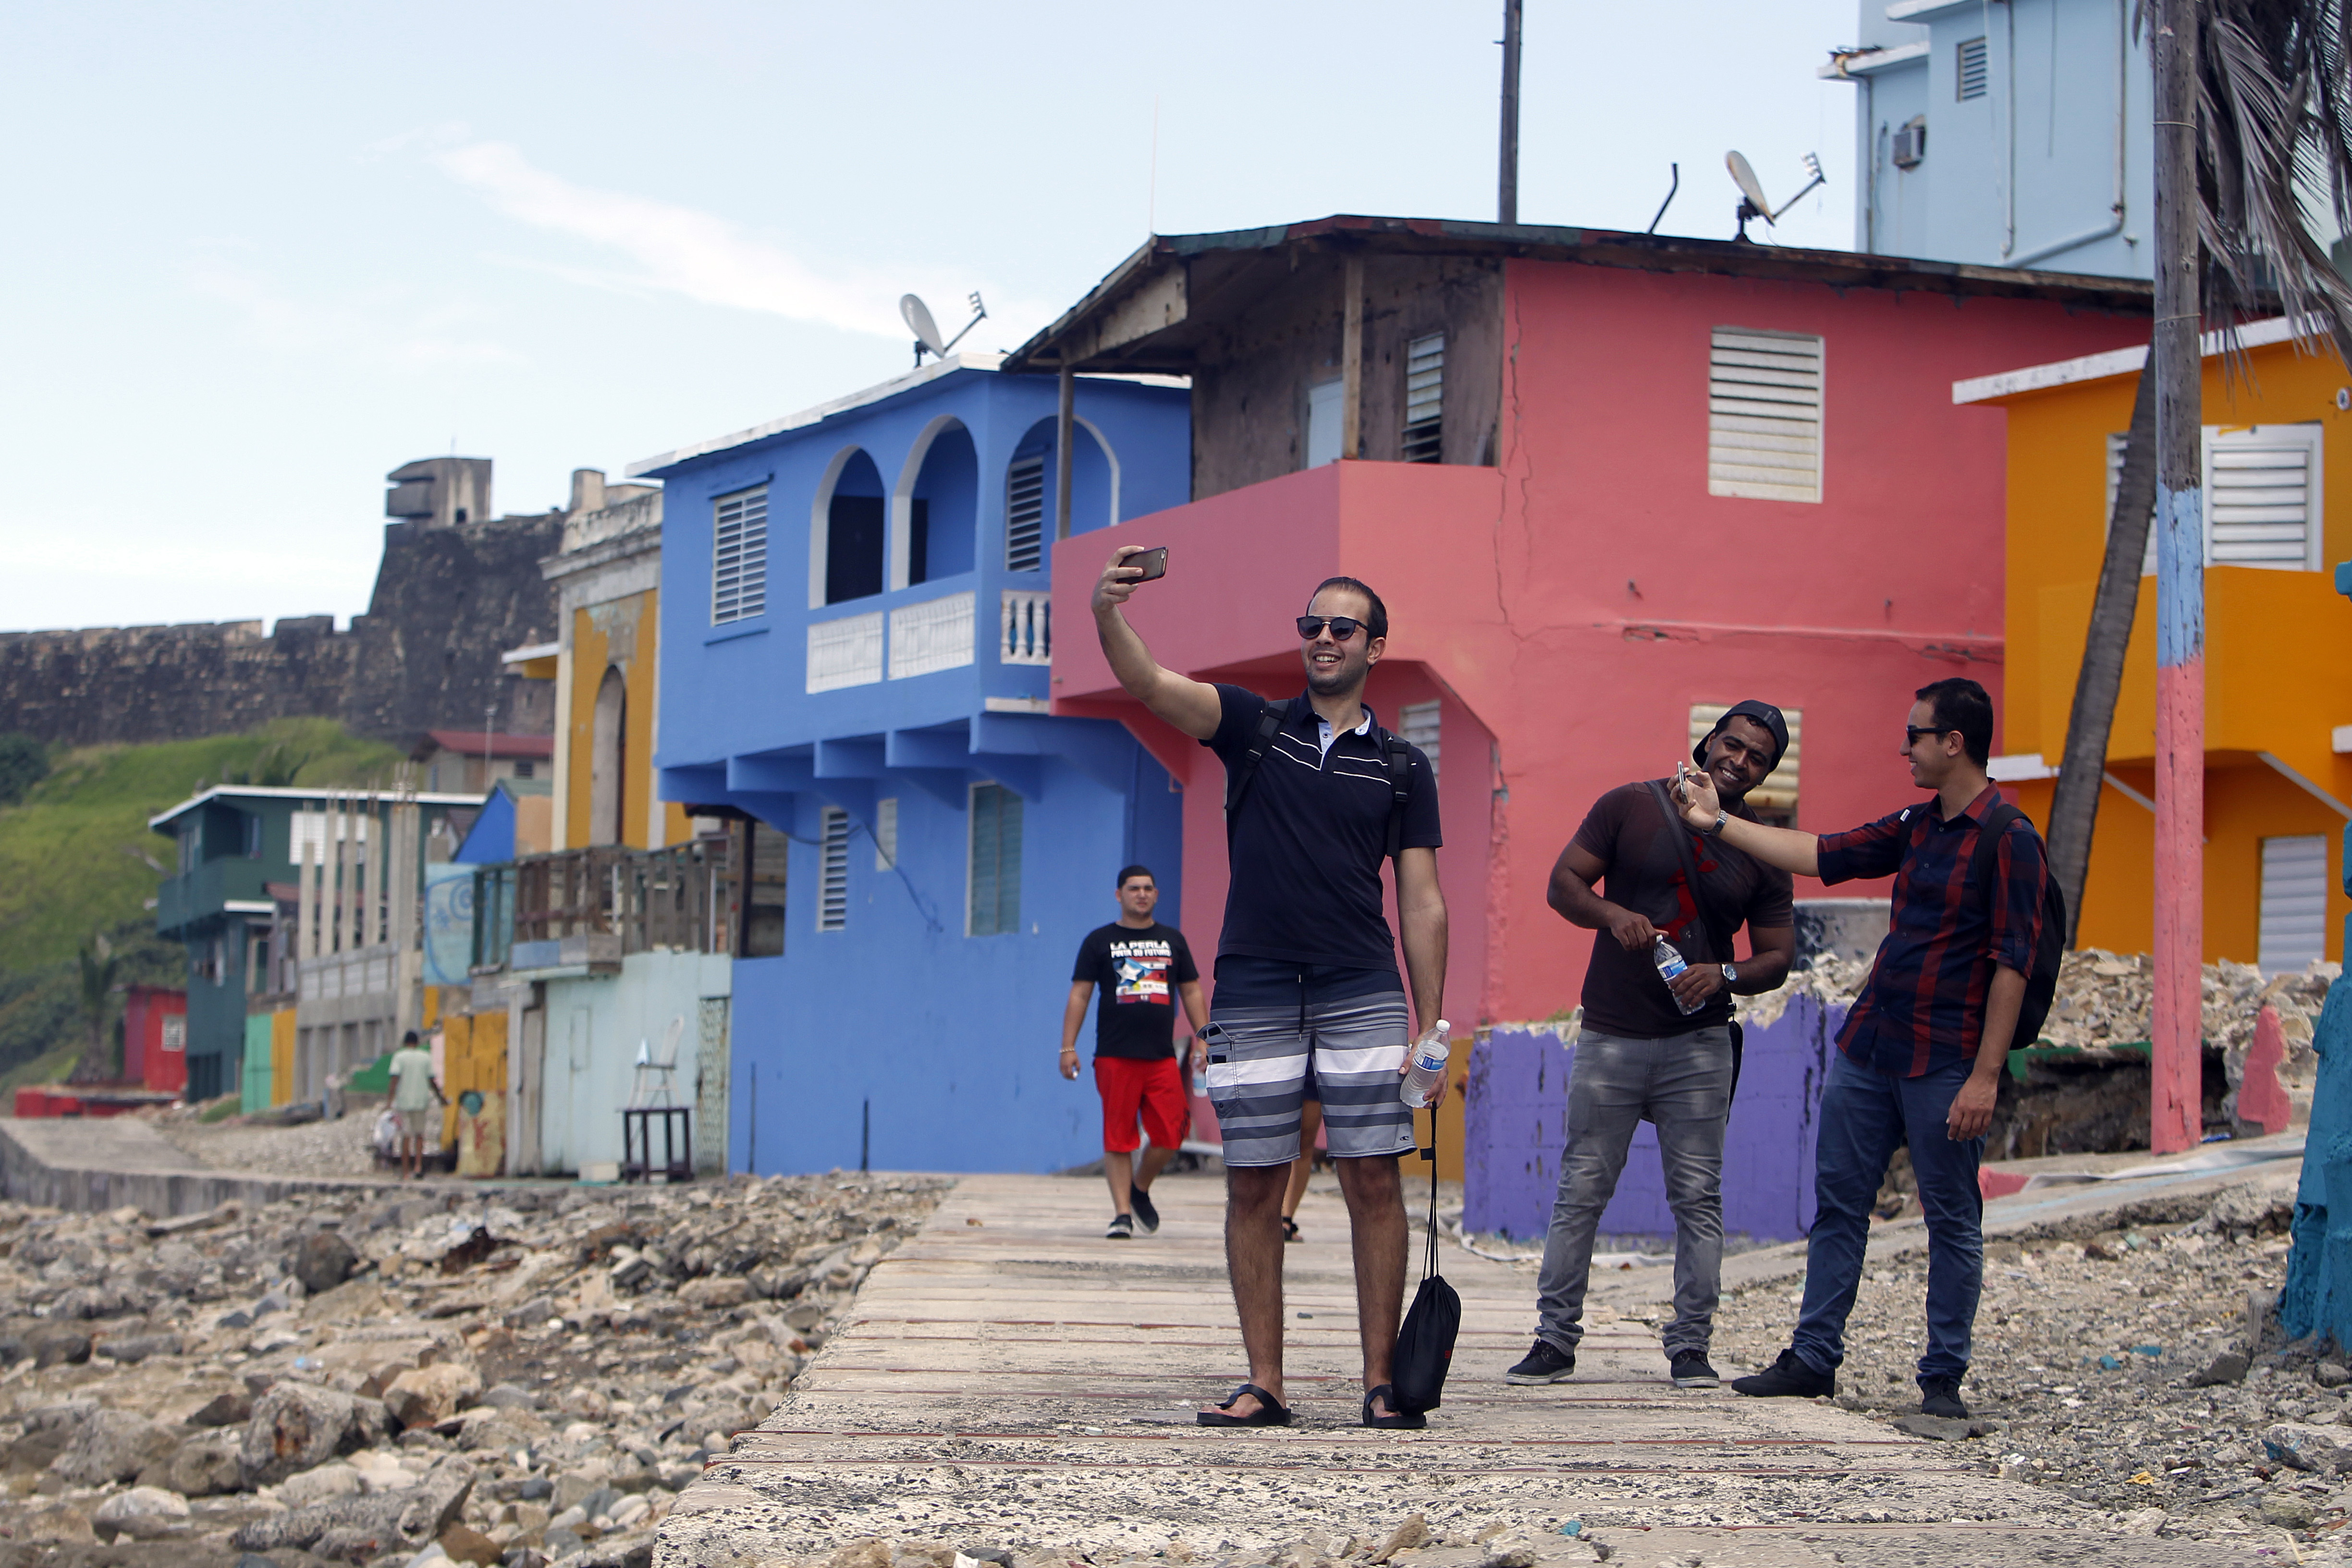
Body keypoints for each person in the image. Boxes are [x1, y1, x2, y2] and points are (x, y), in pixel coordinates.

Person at [1092, 548, 1447, 1431]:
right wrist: (1107, 611)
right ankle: (1267, 1381)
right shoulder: (1253, 724)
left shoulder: (1403, 766)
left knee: (1371, 1176)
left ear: (1375, 647)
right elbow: (1148, 681)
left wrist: (1431, 1024)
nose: (1322, 637)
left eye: (1342, 626)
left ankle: (1378, 1381)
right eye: (1310, 624)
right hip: (1252, 983)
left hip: (1361, 983)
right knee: (1253, 1181)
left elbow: (1422, 896)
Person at [1669, 677, 2046, 1419]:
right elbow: (1821, 853)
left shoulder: (2011, 839)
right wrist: (1716, 825)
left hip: (1947, 1059)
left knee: (1951, 1217)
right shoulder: (1918, 823)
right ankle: (1813, 1359)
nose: (1904, 746)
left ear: (1954, 743)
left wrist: (1985, 1077)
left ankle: (1942, 1383)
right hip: (1871, 1045)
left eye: (1915, 734)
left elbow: (2014, 964)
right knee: (1840, 1204)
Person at [1508, 701, 1798, 1392]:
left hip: (1699, 1042)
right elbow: (1562, 886)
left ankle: (1691, 1348)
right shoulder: (1629, 806)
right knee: (1582, 1191)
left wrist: (1721, 974)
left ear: (1766, 773)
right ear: (1707, 740)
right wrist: (1613, 915)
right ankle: (1554, 1341)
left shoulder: (1762, 845)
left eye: (1757, 756)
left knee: (1698, 1200)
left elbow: (1779, 957)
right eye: (1732, 743)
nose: (1739, 760)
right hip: (1612, 1031)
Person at [1063, 864, 1210, 1239]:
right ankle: (1122, 1215)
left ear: (1156, 895)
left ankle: (1139, 1188)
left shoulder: (1172, 940)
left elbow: (1191, 991)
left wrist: (1205, 1038)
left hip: (1161, 1056)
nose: (1141, 894)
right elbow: (1080, 993)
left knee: (1171, 1134)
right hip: (1115, 1054)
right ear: (1119, 895)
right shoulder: (1099, 941)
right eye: (1133, 888)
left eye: (1148, 888)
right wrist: (1068, 1046)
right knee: (1119, 1135)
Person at [387, 1029, 446, 1181]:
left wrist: (389, 1101)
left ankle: (406, 1172)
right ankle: (418, 1166)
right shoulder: (425, 1057)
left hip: (404, 1102)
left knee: (406, 1136)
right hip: (421, 1101)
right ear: (417, 1042)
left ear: (405, 1042)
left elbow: (394, 1079)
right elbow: (432, 1081)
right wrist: (441, 1098)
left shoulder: (399, 1057)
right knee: (420, 1135)